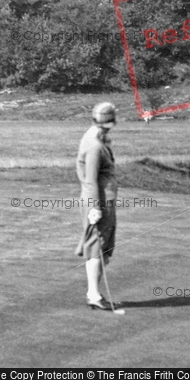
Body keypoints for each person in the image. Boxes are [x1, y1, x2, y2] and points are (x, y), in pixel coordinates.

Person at [76, 102, 119, 310]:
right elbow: (91, 179)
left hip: (103, 200)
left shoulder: (94, 138)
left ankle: (95, 294)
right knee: (96, 247)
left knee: (103, 247)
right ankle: (93, 295)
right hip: (99, 202)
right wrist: (94, 207)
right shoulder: (95, 146)